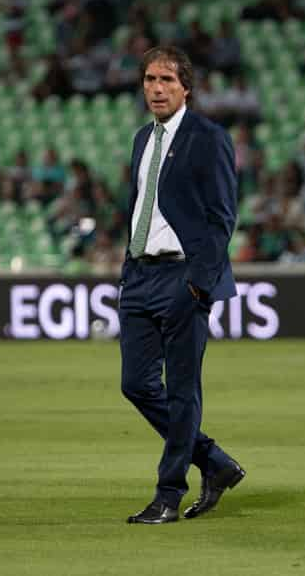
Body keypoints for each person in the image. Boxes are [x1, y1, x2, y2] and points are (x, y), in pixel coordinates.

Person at [119, 45, 245, 525]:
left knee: (182, 391)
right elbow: (138, 207)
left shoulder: (207, 138)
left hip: (181, 276)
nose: (156, 88)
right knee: (136, 384)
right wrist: (128, 267)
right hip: (139, 275)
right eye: (150, 79)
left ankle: (168, 495)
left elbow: (222, 217)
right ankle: (213, 463)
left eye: (166, 80)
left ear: (186, 87)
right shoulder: (141, 139)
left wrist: (198, 282)